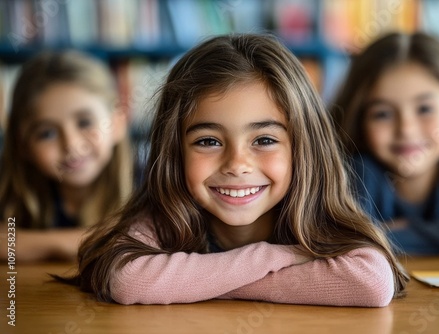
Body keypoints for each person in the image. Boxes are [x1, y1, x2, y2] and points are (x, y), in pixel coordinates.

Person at [64, 33, 408, 307]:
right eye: (209, 142)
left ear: (304, 148)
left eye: (264, 139)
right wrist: (277, 257)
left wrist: (188, 284)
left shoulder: (320, 222)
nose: (237, 165)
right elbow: (130, 279)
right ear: (175, 152)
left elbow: (372, 283)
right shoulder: (164, 220)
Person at [333, 32, 439, 255]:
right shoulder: (360, 169)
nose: (406, 129)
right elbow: (350, 242)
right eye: (382, 114)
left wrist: (403, 231)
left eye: (424, 109)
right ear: (360, 121)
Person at [0, 51, 133, 261]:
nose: (71, 145)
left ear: (117, 124)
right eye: (47, 133)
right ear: (23, 146)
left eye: (85, 123)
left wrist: (24, 243)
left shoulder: (152, 184)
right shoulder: (10, 195)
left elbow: (131, 242)